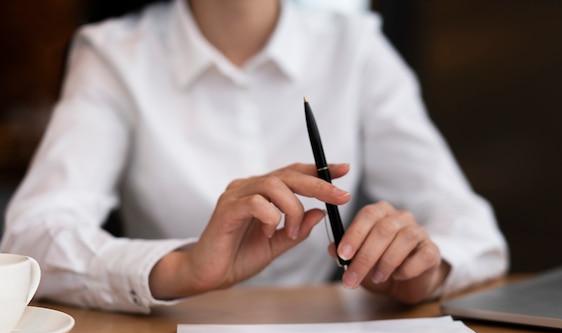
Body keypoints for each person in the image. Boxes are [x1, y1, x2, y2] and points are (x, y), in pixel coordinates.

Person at [0, 0, 508, 313]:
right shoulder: (112, 54)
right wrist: (180, 269)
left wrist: (422, 268)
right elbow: (32, 235)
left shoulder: (354, 46)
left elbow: (475, 232)